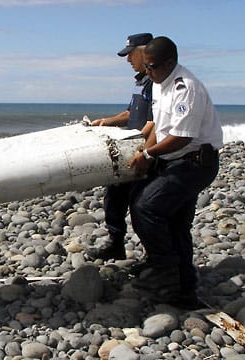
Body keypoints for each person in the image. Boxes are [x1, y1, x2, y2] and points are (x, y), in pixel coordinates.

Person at [128, 36, 222, 308]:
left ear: (171, 62)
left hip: (194, 163)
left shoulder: (186, 89)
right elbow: (160, 124)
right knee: (174, 222)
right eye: (146, 67)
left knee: (148, 208)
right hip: (174, 160)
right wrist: (146, 152)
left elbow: (181, 136)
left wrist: (147, 154)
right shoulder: (160, 82)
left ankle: (165, 275)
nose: (148, 72)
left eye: (153, 67)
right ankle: (184, 289)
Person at [87, 33, 154, 261]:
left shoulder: (156, 83)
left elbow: (154, 123)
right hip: (129, 148)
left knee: (140, 205)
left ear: (145, 52)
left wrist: (140, 150)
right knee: (114, 197)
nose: (128, 60)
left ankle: (152, 255)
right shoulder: (140, 82)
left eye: (130, 55)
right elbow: (129, 114)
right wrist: (105, 122)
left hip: (144, 152)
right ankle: (116, 243)